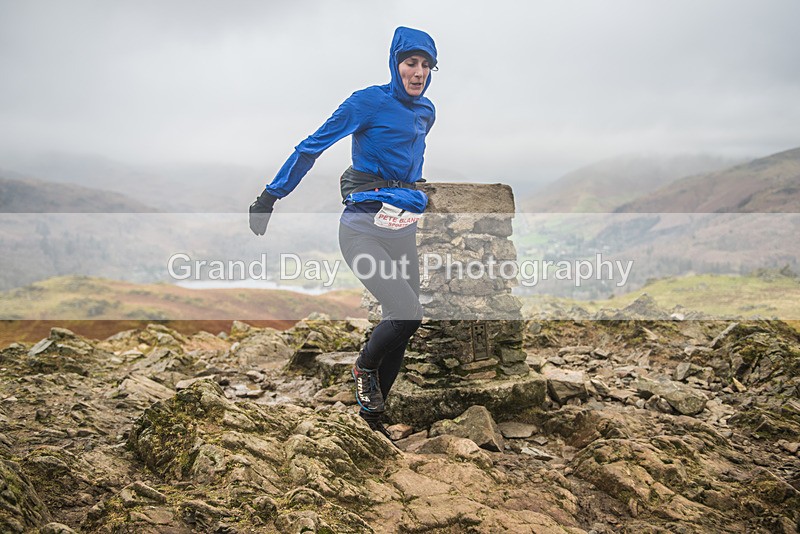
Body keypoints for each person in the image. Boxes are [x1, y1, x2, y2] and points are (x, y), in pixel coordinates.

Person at [249, 26, 438, 438]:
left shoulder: (427, 112)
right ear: (395, 64)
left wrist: (413, 195)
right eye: (411, 62)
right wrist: (270, 196)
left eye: (427, 65)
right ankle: (363, 366)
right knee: (407, 313)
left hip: (400, 227)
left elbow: (409, 168)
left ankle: (373, 422)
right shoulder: (367, 102)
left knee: (401, 326)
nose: (419, 71)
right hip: (362, 229)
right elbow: (312, 146)